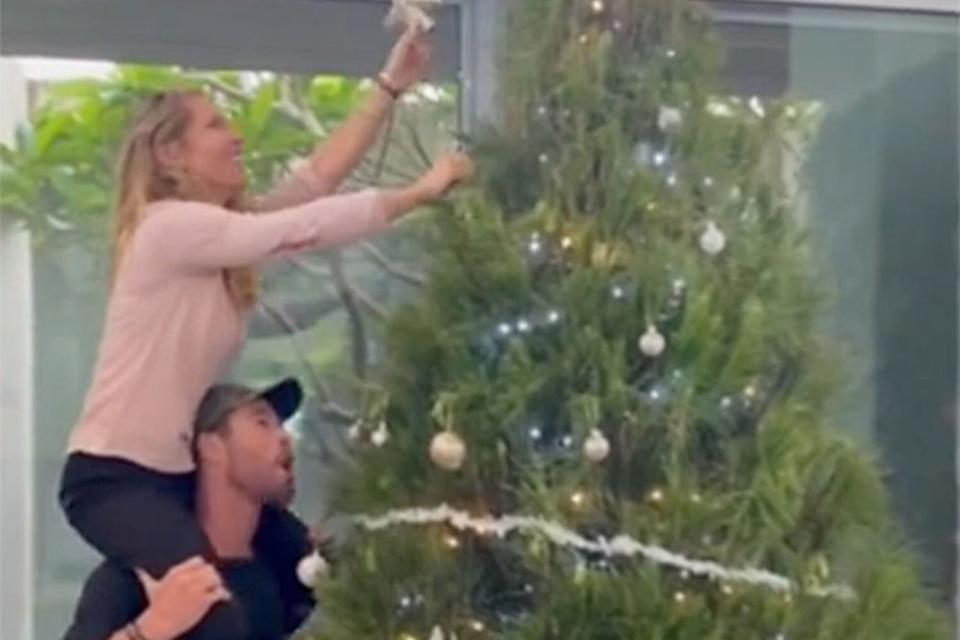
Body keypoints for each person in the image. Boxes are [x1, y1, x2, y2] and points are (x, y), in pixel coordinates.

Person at [58, 24, 474, 640]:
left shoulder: (215, 235)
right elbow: (302, 224)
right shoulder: (167, 228)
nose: (238, 136)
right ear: (170, 155)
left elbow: (314, 183)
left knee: (301, 558)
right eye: (216, 126)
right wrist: (420, 191)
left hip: (171, 475)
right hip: (113, 478)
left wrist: (390, 86)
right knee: (214, 614)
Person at [64, 378, 320, 640]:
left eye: (281, 425)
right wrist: (154, 626)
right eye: (262, 423)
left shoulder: (285, 564)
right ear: (211, 447)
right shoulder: (141, 576)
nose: (284, 437)